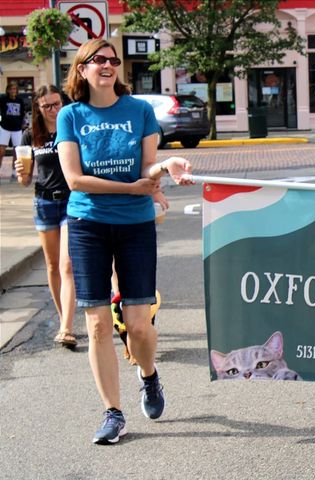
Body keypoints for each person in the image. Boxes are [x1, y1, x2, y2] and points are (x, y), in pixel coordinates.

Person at [56, 38, 193, 445]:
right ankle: (112, 412)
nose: (108, 65)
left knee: (137, 323)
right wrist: (132, 189)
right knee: (97, 324)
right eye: (98, 60)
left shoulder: (138, 111)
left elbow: (148, 166)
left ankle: (149, 376)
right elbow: (75, 180)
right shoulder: (71, 115)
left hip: (135, 225)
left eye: (113, 60)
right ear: (82, 69)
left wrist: (165, 165)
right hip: (87, 224)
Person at [13, 84, 77, 349]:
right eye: (47, 106)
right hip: (43, 202)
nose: (53, 110)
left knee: (67, 265)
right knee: (52, 266)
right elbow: (26, 180)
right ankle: (64, 317)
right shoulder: (31, 136)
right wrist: (21, 174)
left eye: (57, 104)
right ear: (38, 109)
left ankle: (67, 327)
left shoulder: (71, 128)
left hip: (71, 202)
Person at [0, 82, 27, 178]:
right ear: (7, 90)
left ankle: (14, 171)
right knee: (1, 151)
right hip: (4, 127)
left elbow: (23, 113)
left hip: (17, 128)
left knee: (17, 150)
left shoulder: (20, 101)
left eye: (14, 89)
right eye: (11, 89)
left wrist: (23, 123)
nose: (13, 91)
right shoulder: (3, 100)